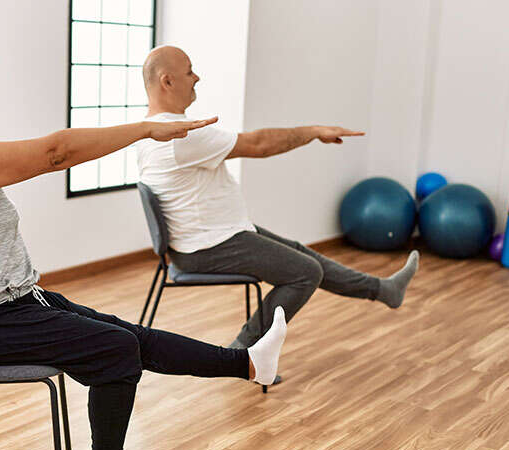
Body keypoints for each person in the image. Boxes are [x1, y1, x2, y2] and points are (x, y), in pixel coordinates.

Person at [0, 50, 288, 450]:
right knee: (115, 350)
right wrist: (144, 129)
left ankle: (248, 363)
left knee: (128, 335)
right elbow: (55, 154)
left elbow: (52, 153)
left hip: (8, 304)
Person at [136, 46, 419, 351]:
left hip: (213, 235)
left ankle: (383, 290)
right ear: (167, 81)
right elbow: (259, 145)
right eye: (190, 70)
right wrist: (314, 131)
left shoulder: (154, 131)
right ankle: (242, 352)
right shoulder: (181, 135)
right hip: (208, 245)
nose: (197, 77)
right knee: (305, 272)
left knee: (302, 256)